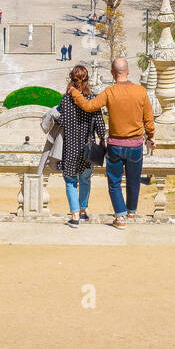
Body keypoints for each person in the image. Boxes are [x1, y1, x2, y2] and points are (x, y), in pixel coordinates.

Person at [68, 58, 155, 228]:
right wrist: (151, 136)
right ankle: (131, 211)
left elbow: (88, 105)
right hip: (136, 145)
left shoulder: (109, 92)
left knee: (114, 182)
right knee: (134, 180)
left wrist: (74, 92)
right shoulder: (140, 91)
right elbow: (149, 120)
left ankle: (120, 217)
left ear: (112, 74)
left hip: (116, 145)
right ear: (128, 71)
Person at [59, 65, 106, 227]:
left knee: (70, 180)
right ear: (87, 80)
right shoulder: (92, 99)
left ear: (71, 79)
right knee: (85, 179)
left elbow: (62, 121)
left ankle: (75, 215)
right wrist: (102, 139)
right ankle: (83, 211)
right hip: (88, 147)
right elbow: (100, 126)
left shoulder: (66, 99)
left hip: (70, 146)